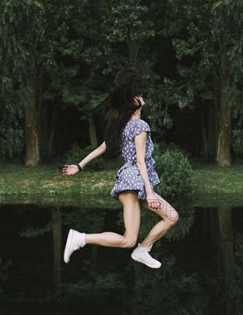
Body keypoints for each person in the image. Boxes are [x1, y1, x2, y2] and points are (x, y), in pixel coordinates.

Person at [62, 64, 179, 269]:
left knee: (171, 217)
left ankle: (143, 250)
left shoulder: (123, 125)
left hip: (132, 181)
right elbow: (140, 161)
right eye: (139, 95)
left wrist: (79, 166)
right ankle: (80, 238)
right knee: (128, 240)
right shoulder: (140, 126)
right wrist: (150, 193)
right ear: (134, 101)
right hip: (134, 181)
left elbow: (101, 148)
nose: (143, 97)